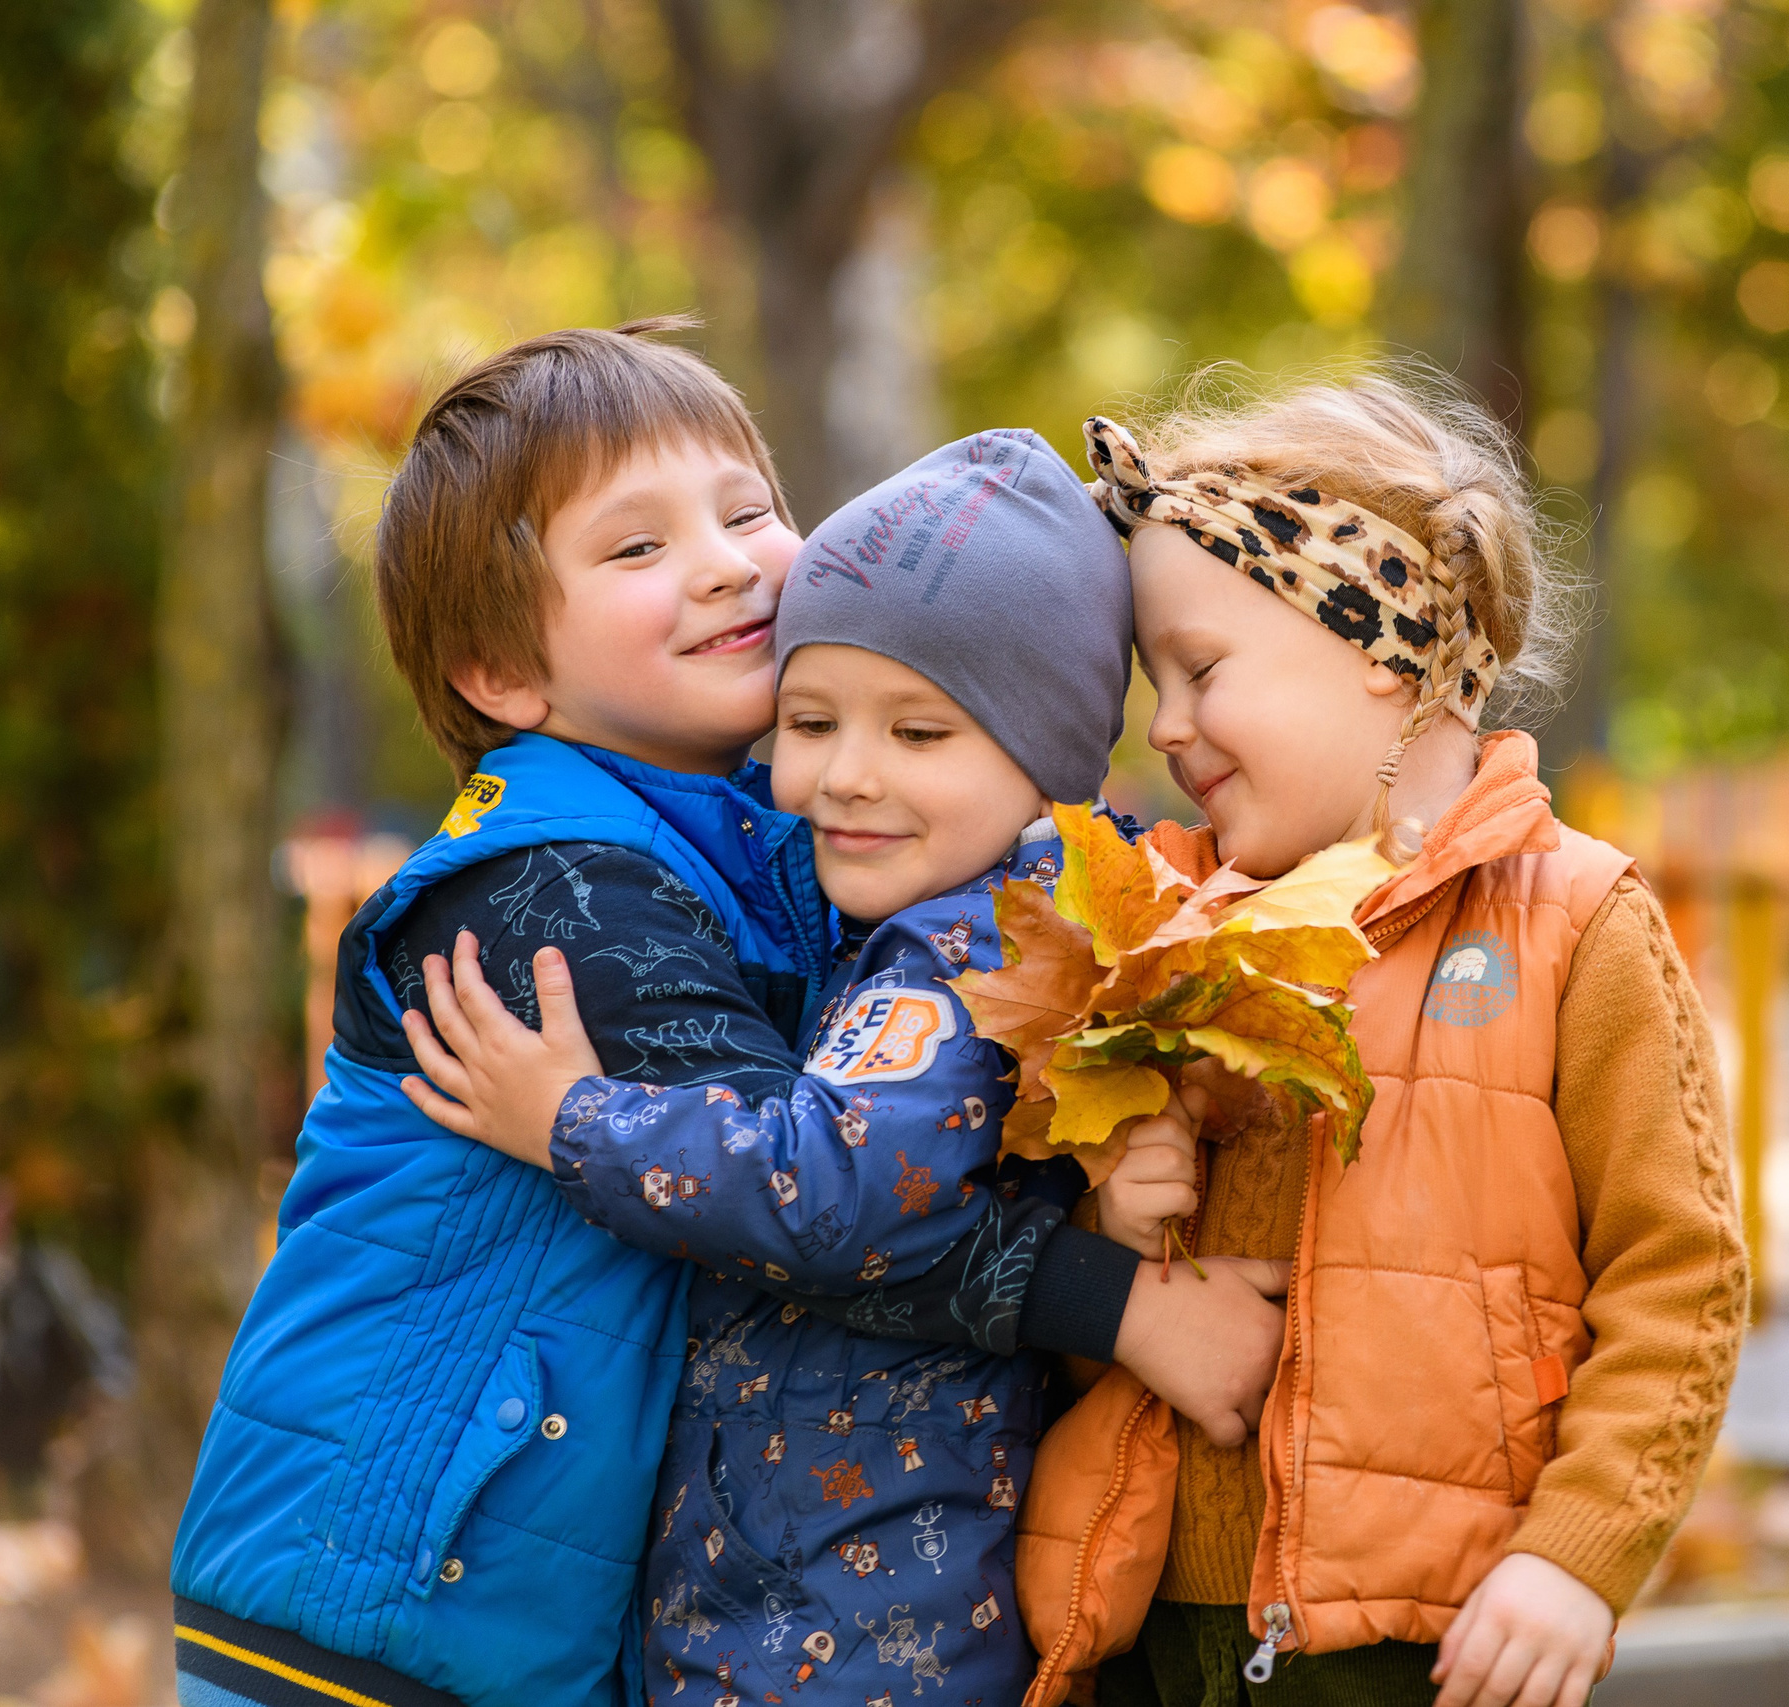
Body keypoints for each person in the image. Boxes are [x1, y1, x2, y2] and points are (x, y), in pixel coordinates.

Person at [167, 324, 1286, 1707]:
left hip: (523, 1602)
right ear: (504, 673)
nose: (723, 559)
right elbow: (819, 1198)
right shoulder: (551, 897)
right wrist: (1110, 1299)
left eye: (748, 509)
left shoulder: (787, 848)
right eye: (636, 549)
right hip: (372, 1581)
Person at [397, 426, 1206, 1705]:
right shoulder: (909, 925)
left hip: (863, 1608)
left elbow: (828, 1187)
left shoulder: (964, 951)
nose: (843, 777)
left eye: (921, 734)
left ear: (1049, 763)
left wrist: (570, 1118)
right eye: (811, 721)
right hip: (797, 1578)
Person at [1017, 379, 1751, 1707]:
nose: (1164, 726)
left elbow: (1678, 1278)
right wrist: (1114, 1228)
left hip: (1434, 1637)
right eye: (1153, 684)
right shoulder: (1162, 934)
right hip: (1156, 1624)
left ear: (1374, 638)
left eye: (1201, 668)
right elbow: (1074, 1322)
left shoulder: (1574, 925)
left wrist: (1576, 1557)